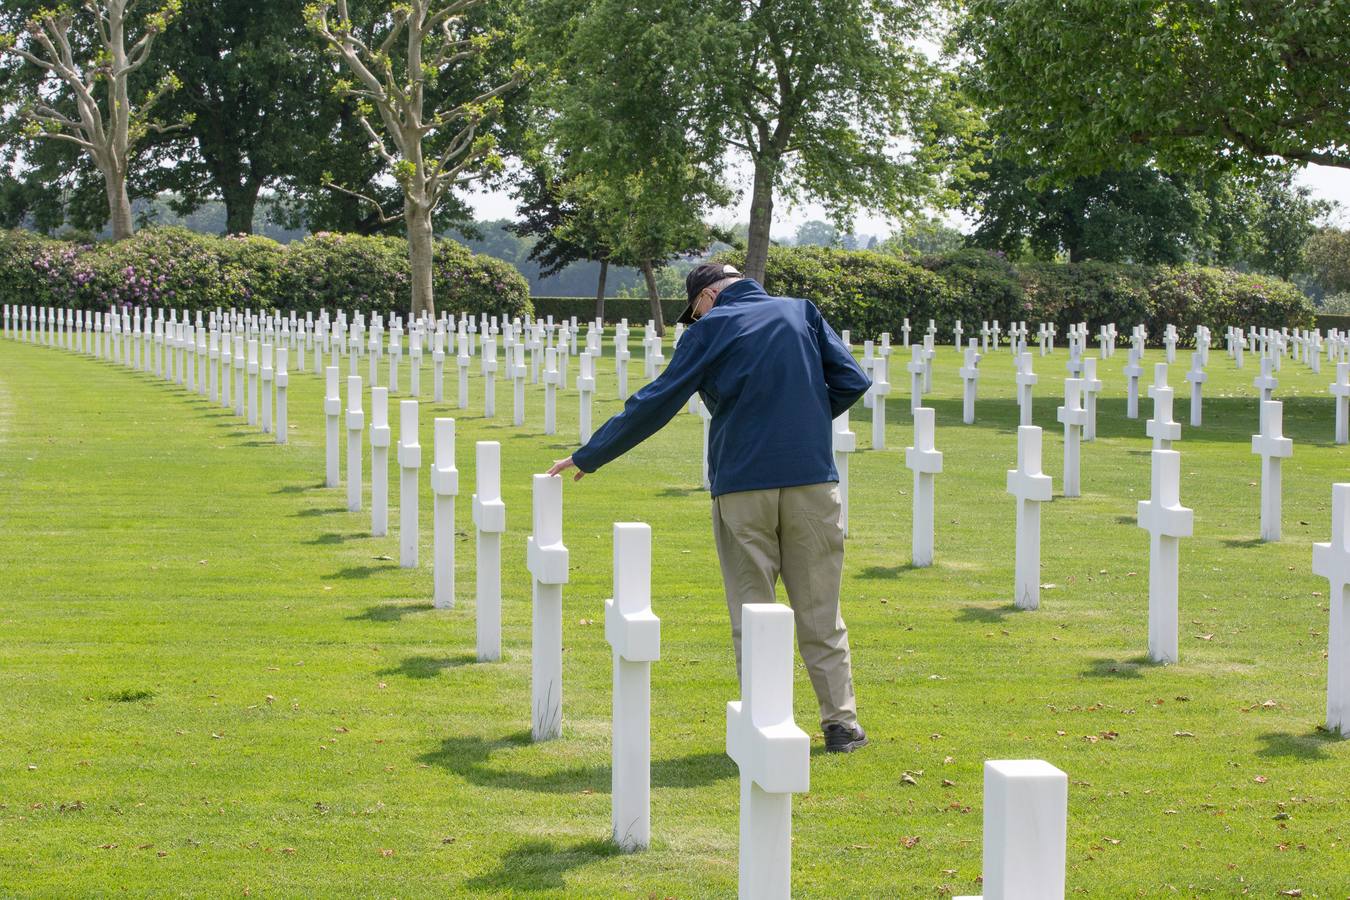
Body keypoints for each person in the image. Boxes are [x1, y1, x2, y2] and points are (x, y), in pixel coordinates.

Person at [547, 263, 872, 752]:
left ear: (708, 296)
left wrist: (592, 454)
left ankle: (765, 718)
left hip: (743, 483)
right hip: (812, 481)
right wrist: (797, 421)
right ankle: (841, 724)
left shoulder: (710, 330)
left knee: (753, 607)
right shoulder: (802, 312)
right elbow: (850, 379)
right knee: (821, 608)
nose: (693, 318)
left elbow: (656, 401)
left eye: (693, 309)